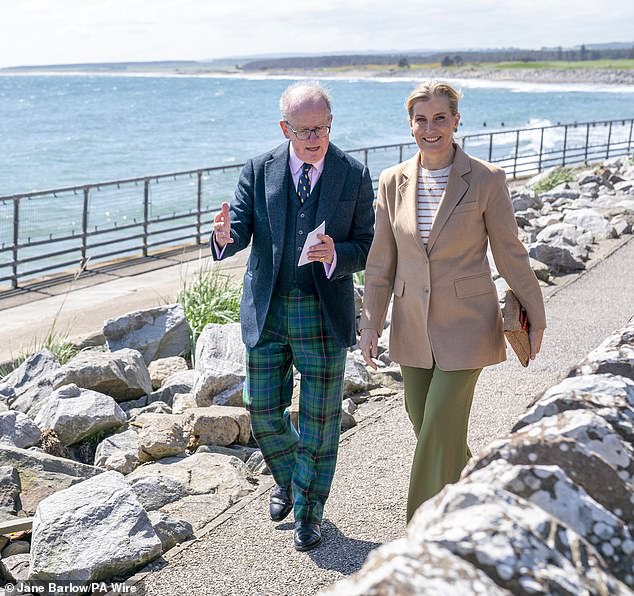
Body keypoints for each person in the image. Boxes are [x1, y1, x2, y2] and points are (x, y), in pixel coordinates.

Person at [359, 80, 546, 523]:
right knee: (425, 422)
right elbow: (380, 261)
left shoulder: (486, 179)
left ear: (456, 121)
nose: (431, 128)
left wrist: (536, 317)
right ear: (410, 125)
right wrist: (370, 323)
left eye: (440, 118)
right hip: (410, 325)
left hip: (468, 324)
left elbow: (510, 253)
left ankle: (420, 535)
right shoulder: (391, 182)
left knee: (438, 425)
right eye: (421, 120)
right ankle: (481, 497)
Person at [211, 81, 374, 551]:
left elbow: (367, 244)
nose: (314, 138)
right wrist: (223, 235)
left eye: (321, 128)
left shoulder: (352, 173)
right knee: (261, 409)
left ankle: (309, 513)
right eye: (303, 129)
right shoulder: (258, 170)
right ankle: (290, 479)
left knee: (321, 421)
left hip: (323, 312)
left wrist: (336, 254)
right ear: (285, 127)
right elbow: (238, 231)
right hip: (268, 308)